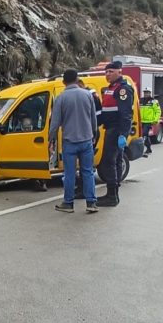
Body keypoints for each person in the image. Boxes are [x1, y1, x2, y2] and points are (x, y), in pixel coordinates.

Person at [50, 69, 98, 214]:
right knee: (88, 172)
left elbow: (55, 122)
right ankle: (91, 203)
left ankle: (68, 203)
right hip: (86, 140)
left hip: (69, 141)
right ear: (77, 80)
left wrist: (50, 139)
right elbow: (93, 118)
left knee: (70, 173)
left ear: (64, 82)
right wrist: (94, 133)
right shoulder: (87, 95)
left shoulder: (61, 98)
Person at [97, 60, 134, 207]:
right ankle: (112, 194)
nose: (108, 74)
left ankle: (112, 195)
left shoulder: (123, 89)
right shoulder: (110, 88)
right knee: (115, 161)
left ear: (119, 71)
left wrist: (123, 135)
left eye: (111, 72)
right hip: (109, 128)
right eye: (106, 72)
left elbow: (126, 114)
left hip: (116, 129)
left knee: (108, 162)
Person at [139, 87, 161, 157]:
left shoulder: (154, 101)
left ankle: (142, 150)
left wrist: (155, 120)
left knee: (145, 134)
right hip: (141, 121)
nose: (146, 94)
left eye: (147, 92)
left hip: (149, 121)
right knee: (144, 135)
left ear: (150, 93)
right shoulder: (140, 100)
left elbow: (158, 111)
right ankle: (149, 148)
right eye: (145, 92)